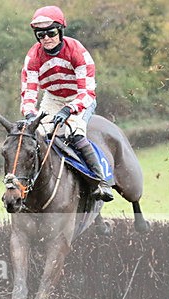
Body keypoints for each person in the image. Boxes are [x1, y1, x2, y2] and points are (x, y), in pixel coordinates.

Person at [20, 6, 114, 202]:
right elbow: (28, 93)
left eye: (51, 33)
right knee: (37, 135)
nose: (46, 38)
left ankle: (101, 182)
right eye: (40, 34)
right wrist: (30, 113)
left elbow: (87, 92)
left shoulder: (77, 51)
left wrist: (70, 109)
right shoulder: (33, 57)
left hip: (79, 98)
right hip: (52, 98)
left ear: (61, 31)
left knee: (74, 132)